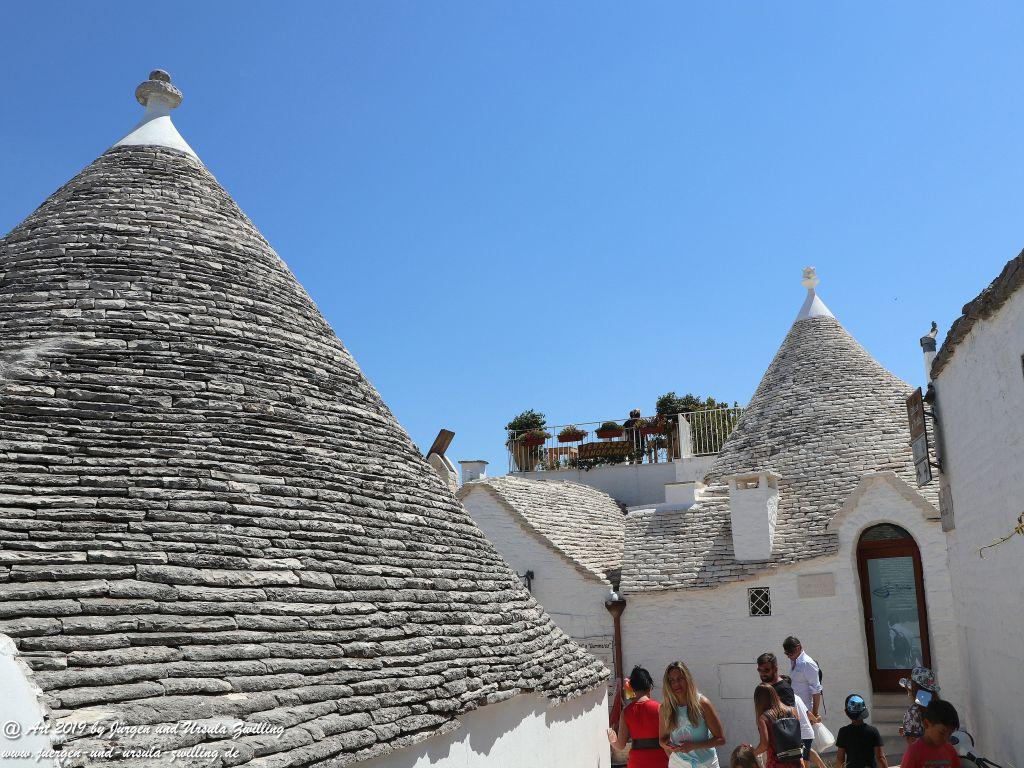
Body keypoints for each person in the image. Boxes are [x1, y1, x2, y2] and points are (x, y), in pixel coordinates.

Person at [756, 654, 825, 768]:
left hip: (784, 750)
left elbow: (789, 720)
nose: (763, 673)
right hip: (774, 747)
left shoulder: (783, 688)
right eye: (760, 670)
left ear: (775, 669)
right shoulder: (765, 688)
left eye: (766, 670)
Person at [659, 661, 725, 768]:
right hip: (678, 763)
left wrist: (694, 746)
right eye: (672, 681)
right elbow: (662, 740)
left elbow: (721, 739)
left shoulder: (703, 704)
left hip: (706, 763)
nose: (676, 684)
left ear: (688, 679)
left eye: (680, 679)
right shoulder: (665, 708)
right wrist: (671, 746)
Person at [608, 666, 669, 768]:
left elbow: (620, 746)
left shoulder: (626, 712)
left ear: (632, 688)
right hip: (661, 760)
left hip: (637, 762)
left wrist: (612, 739)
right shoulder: (659, 708)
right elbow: (668, 739)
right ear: (649, 687)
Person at [746, 683, 805, 767]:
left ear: (759, 701)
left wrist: (751, 754)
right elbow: (798, 737)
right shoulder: (793, 710)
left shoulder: (764, 718)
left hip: (776, 762)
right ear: (775, 694)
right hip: (795, 761)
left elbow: (764, 745)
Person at [900, 699, 960, 768]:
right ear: (926, 724)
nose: (946, 739)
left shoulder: (950, 750)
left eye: (950, 734)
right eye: (942, 733)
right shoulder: (914, 752)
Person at [835, 694, 888, 768]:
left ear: (846, 712)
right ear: (864, 710)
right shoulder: (873, 731)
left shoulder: (843, 732)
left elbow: (840, 759)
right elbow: (880, 757)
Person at [782, 636, 822, 719]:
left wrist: (814, 714)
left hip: (806, 710)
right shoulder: (794, 660)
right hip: (795, 709)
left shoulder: (807, 663)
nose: (788, 656)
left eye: (790, 653)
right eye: (786, 654)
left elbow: (816, 690)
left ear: (798, 648)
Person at [898, 666, 940, 746]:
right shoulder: (941, 706)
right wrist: (907, 729)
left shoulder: (914, 712)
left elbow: (913, 743)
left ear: (914, 688)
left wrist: (907, 732)